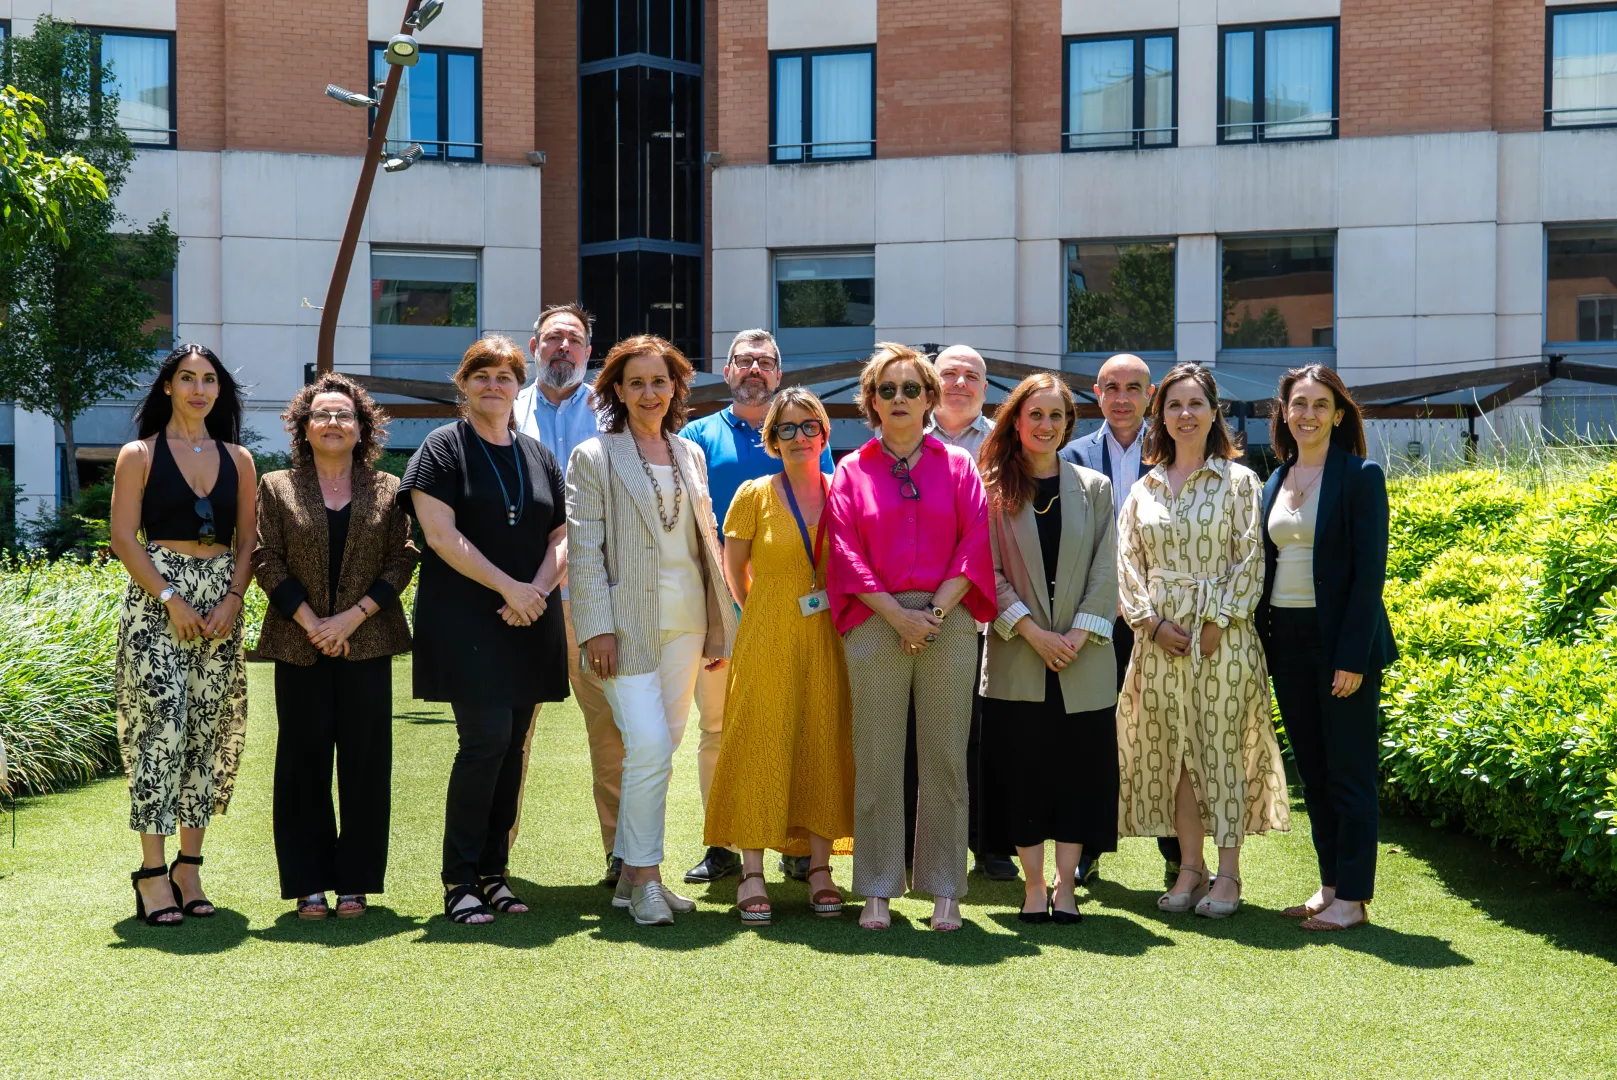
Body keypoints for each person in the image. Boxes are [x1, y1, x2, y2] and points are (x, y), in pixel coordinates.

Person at [567, 334, 737, 927]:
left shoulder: (688, 454)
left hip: (688, 623)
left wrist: (720, 629)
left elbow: (704, 543)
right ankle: (644, 875)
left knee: (659, 754)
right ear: (616, 389)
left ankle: (638, 881)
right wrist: (595, 630)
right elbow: (584, 551)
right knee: (649, 746)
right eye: (636, 382)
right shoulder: (594, 454)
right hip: (624, 629)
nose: (649, 393)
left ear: (676, 388)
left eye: (659, 381)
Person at [400, 336, 570, 925]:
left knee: (514, 747)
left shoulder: (539, 454)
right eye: (481, 375)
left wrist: (538, 592)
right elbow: (441, 536)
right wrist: (510, 589)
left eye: (504, 375)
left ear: (519, 386)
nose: (493, 385)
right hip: (469, 620)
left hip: (530, 617)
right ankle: (459, 879)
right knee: (484, 742)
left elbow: (561, 535)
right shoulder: (441, 448)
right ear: (463, 385)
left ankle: (495, 875)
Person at [827, 343, 996, 932]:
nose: (899, 400)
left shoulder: (957, 465)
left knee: (947, 758)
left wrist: (935, 612)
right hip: (876, 621)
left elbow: (977, 540)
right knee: (876, 757)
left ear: (929, 398)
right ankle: (876, 886)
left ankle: (945, 887)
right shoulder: (851, 468)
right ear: (871, 401)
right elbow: (842, 550)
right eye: (886, 390)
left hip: (946, 623)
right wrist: (897, 616)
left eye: (910, 389)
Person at [1115, 362, 1288, 919]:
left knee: (1222, 751)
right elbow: (1128, 565)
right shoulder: (1143, 488)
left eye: (1195, 404)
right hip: (1160, 641)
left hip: (1224, 639)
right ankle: (1191, 867)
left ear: (1214, 412)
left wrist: (1217, 622)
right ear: (1158, 416)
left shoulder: (1240, 482)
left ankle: (1230, 873)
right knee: (1176, 757)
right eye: (1173, 405)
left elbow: (1249, 559)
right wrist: (1151, 623)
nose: (1184, 414)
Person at [253, 373, 418, 920]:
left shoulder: (390, 489)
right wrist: (311, 622)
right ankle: (308, 883)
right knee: (302, 763)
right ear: (303, 426)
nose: (332, 423)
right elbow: (264, 557)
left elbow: (402, 558)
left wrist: (349, 619)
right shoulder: (276, 486)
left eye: (343, 414)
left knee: (366, 764)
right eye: (321, 414)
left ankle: (355, 883)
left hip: (366, 641)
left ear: (362, 426)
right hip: (297, 643)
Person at [677, 329, 833, 884]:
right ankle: (724, 844)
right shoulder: (697, 433)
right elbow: (700, 533)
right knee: (726, 729)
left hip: (804, 612)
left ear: (778, 372)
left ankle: (796, 843)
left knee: (805, 726)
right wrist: (736, 611)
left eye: (765, 362)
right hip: (727, 603)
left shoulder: (814, 443)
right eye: (744, 361)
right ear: (727, 369)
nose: (754, 370)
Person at [109, 343, 256, 926]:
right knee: (160, 730)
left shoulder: (240, 459)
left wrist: (233, 598)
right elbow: (124, 537)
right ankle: (151, 873)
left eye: (209, 380)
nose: (199, 389)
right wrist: (171, 599)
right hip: (157, 599)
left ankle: (188, 867)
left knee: (205, 732)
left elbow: (248, 541)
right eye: (187, 378)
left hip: (222, 601)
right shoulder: (137, 454)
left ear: (220, 391)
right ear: (168, 386)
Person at [703, 387, 855, 924]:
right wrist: (762, 612)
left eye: (808, 426)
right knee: (757, 740)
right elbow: (734, 569)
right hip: (767, 633)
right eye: (786, 428)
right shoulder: (754, 494)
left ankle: (819, 868)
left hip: (831, 638)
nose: (798, 437)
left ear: (824, 434)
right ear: (772, 437)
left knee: (823, 739)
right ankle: (751, 871)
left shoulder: (846, 491)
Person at [1258, 365, 1395, 932]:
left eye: (1319, 405)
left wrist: (1350, 657)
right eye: (1298, 404)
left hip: (1340, 642)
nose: (1307, 414)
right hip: (1286, 640)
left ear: (1339, 414)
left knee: (1349, 770)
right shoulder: (1276, 478)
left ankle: (1354, 899)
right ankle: (1332, 884)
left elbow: (1369, 577)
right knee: (1313, 770)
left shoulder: (1361, 475)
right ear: (1284, 413)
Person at [978, 374, 1118, 925]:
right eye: (1035, 414)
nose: (1046, 425)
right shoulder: (990, 488)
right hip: (1018, 656)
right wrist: (1033, 633)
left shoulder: (1096, 487)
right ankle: (1034, 886)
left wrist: (1077, 635)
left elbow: (1108, 569)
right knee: (1024, 775)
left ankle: (1066, 887)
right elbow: (986, 575)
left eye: (1056, 416)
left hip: (1084, 659)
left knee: (1078, 775)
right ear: (1016, 420)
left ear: (1068, 423)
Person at [1059, 352, 1180, 886]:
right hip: (1094, 618)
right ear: (1097, 393)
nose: (1123, 397)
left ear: (1150, 395)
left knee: (1166, 733)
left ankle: (1178, 849)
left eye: (1134, 387)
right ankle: (1085, 847)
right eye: (1112, 387)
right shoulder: (1070, 455)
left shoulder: (1180, 450)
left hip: (1162, 619)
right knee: (1090, 736)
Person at [510, 303, 618, 883]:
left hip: (597, 596)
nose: (562, 350)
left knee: (610, 730)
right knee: (509, 732)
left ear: (587, 352)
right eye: (552, 339)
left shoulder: (613, 410)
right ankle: (493, 857)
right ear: (534, 348)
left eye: (573, 340)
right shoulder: (505, 406)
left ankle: (622, 857)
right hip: (518, 596)